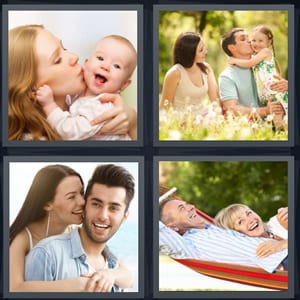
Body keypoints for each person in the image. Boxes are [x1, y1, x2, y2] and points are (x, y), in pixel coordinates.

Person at [10, 164, 133, 292]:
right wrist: (79, 284)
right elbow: (15, 288)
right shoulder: (23, 239)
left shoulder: (73, 232)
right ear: (47, 204)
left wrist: (111, 274)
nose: (82, 201)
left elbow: (127, 276)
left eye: (81, 193)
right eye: (71, 197)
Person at [8, 25, 137, 140]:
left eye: (64, 48)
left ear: (125, 84)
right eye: (57, 60)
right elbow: (70, 131)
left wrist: (134, 121)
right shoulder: (34, 140)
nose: (74, 57)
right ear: (32, 89)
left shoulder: (97, 104)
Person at [159, 198, 288, 273]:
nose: (192, 207)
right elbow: (159, 234)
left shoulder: (213, 228)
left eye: (187, 204)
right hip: (283, 263)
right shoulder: (189, 245)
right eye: (182, 208)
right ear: (172, 227)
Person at [227, 25, 288, 128]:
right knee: (275, 118)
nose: (256, 43)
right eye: (254, 40)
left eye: (261, 41)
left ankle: (286, 136)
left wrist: (234, 61)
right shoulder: (257, 56)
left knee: (278, 119)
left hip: (274, 89)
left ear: (269, 43)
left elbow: (250, 63)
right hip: (267, 93)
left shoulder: (265, 52)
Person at [160, 32, 220, 116]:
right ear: (189, 53)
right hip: (181, 120)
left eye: (204, 48)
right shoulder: (175, 73)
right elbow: (164, 108)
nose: (205, 51)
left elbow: (215, 101)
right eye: (201, 50)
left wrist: (218, 117)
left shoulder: (206, 69)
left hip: (203, 117)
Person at [214, 204, 288, 257]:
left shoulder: (278, 222)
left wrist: (281, 244)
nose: (251, 220)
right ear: (236, 233)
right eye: (240, 221)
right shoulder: (255, 252)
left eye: (249, 213)